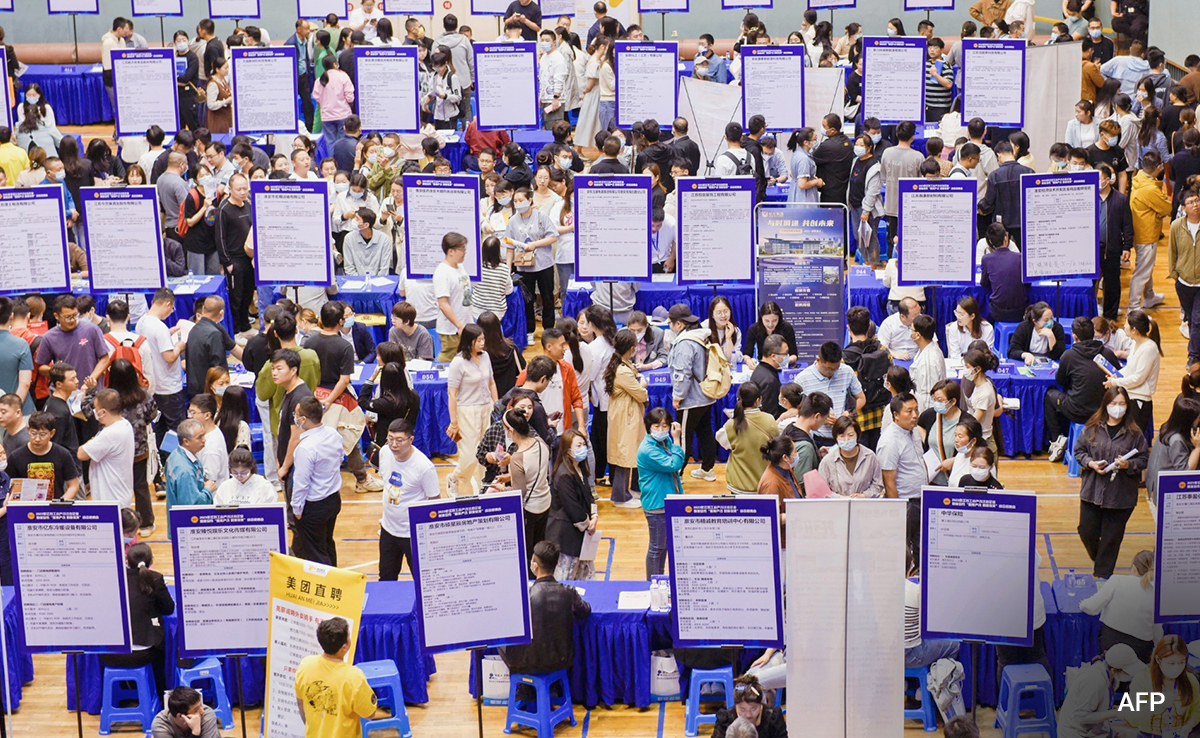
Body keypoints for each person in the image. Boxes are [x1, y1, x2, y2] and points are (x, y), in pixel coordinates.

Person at [1074, 386, 1148, 580]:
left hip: (1120, 495)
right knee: (1086, 531)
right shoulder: (1092, 427)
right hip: (1092, 490)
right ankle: (1101, 562)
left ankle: (1102, 576)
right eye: (1113, 403)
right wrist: (1090, 463)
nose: (1117, 408)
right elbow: (1079, 451)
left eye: (1122, 404)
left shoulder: (1135, 433)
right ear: (1106, 405)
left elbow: (1143, 460)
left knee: (1111, 539)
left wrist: (1127, 464)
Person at [501, 540, 591, 688]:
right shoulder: (569, 592)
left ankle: (524, 691)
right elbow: (585, 611)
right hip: (561, 659)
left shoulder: (524, 595)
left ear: (534, 566)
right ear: (556, 565)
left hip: (525, 662)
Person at [1046, 316, 1124, 461]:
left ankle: (1057, 439)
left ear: (1074, 336)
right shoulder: (1107, 354)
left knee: (1050, 395)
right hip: (1104, 410)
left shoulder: (1068, 356)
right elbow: (1118, 376)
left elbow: (1060, 381)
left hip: (1078, 411)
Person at [101, 543, 174, 693]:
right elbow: (168, 608)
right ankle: (159, 694)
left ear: (126, 561)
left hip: (109, 654)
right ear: (151, 561)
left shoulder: (113, 578)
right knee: (160, 647)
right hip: (142, 654)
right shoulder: (156, 579)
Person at [374, 419, 439, 580]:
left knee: (422, 580)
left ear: (411, 440)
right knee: (386, 577)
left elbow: (435, 501)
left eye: (399, 440)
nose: (393, 445)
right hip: (388, 529)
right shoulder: (384, 452)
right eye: (390, 439)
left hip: (413, 534)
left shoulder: (424, 467)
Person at [295, 617, 378, 737]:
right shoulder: (354, 677)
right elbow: (370, 713)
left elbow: (300, 702)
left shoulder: (305, 665)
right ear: (344, 647)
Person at [291, 396, 344, 566]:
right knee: (327, 544)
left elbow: (301, 482)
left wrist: (297, 508)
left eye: (297, 415)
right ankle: (335, 581)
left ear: (304, 420)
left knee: (316, 552)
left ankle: (327, 585)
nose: (295, 417)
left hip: (314, 506)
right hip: (333, 499)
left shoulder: (306, 448)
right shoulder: (333, 434)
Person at [668, 304, 718, 481]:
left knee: (682, 436)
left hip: (690, 399)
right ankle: (707, 470)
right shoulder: (703, 336)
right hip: (707, 396)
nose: (669, 326)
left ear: (680, 324)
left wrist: (678, 396)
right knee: (705, 433)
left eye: (670, 323)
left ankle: (677, 473)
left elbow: (683, 373)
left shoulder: (685, 343)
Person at [1079, 549, 1159, 661]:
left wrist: (1082, 603)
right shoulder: (1158, 594)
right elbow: (1157, 631)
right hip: (1141, 647)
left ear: (1134, 568)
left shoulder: (1117, 580)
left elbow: (1090, 608)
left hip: (1111, 642)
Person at [447, 324, 498, 495]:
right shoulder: (458, 363)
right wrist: (454, 422)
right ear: (469, 342)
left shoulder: (486, 357)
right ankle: (454, 478)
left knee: (487, 451)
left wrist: (496, 405)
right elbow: (452, 394)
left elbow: (491, 382)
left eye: (483, 339)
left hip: (487, 409)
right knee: (470, 454)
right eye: (479, 340)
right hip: (467, 411)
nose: (483, 343)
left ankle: (485, 484)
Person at [1055, 644, 1144, 738]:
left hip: (1095, 729)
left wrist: (1117, 709)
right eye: (1128, 672)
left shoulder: (1109, 675)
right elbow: (1081, 717)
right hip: (1077, 734)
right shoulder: (1096, 681)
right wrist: (1115, 713)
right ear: (1114, 670)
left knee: (1136, 735)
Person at [546, 430, 598, 580]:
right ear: (567, 449)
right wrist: (588, 524)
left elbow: (589, 495)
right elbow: (572, 507)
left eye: (584, 444)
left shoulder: (581, 468)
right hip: (566, 535)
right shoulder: (563, 475)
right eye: (578, 445)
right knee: (567, 579)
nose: (583, 448)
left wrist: (595, 515)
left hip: (581, 532)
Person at [637, 408, 683, 578]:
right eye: (657, 426)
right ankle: (653, 583)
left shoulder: (664, 443)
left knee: (664, 546)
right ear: (649, 427)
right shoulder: (648, 449)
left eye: (665, 426)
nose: (662, 430)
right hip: (657, 504)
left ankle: (660, 581)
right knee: (657, 547)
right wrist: (677, 439)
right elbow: (674, 464)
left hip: (669, 500)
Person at [877, 393, 925, 557]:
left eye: (916, 410)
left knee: (921, 545)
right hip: (907, 503)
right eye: (909, 411)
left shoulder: (913, 430)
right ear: (896, 415)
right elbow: (889, 482)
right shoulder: (890, 441)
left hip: (921, 498)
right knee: (904, 548)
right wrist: (897, 512)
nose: (915, 415)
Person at [603, 329, 648, 506]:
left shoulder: (623, 364)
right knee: (624, 455)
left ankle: (635, 488)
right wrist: (643, 384)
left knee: (634, 452)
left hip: (628, 414)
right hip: (625, 417)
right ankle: (620, 496)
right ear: (630, 349)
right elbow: (641, 394)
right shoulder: (622, 370)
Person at [1124, 635, 1200, 737]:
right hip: (1148, 735)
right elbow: (1133, 719)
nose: (1177, 668)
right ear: (1158, 660)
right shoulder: (1142, 679)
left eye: (1181, 662)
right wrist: (1153, 705)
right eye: (1171, 663)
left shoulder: (1190, 680)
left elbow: (1196, 710)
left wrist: (1189, 725)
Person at [797, 342, 866, 446]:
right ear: (818, 360)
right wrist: (821, 418)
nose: (832, 372)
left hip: (843, 436)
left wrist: (848, 414)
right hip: (818, 438)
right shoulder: (802, 379)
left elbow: (861, 398)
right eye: (828, 368)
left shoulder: (847, 371)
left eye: (836, 368)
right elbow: (797, 411)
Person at [1105, 309, 1162, 436]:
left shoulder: (1149, 349)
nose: (1124, 326)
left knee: (1132, 438)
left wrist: (1115, 382)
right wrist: (1116, 374)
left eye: (1126, 324)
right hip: (1130, 395)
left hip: (1139, 400)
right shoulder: (1136, 343)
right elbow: (1130, 367)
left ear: (1134, 330)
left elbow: (1138, 378)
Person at [717, 383, 780, 495]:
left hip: (739, 484)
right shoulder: (769, 420)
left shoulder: (732, 424)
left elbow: (721, 439)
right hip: (765, 483)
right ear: (758, 400)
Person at [78, 388, 134, 509]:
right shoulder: (125, 424)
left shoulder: (110, 434)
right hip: (119, 494)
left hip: (110, 499)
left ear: (103, 412)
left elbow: (81, 454)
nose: (94, 412)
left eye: (96, 409)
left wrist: (90, 441)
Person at [1128, 150, 1171, 310]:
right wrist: (1159, 210)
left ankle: (1150, 296)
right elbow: (1167, 207)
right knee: (1142, 272)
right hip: (1147, 234)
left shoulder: (1139, 178)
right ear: (1159, 167)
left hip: (1141, 231)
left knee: (1146, 267)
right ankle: (1133, 307)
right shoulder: (1150, 189)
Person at [7, 411, 79, 501]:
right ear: (28, 429)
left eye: (42, 434)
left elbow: (73, 485)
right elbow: (9, 487)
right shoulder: (15, 457)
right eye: (33, 433)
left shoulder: (63, 454)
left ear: (52, 433)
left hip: (54, 508)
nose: (37, 439)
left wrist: (60, 503)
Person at [1146, 396, 1200, 510]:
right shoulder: (1177, 439)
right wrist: (1198, 448)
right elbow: (1185, 470)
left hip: (1157, 483)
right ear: (1188, 420)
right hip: (1168, 490)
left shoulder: (1167, 427)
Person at [880, 122, 925, 251]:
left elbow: (883, 177)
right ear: (912, 136)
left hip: (891, 204)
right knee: (910, 241)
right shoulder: (918, 157)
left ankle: (890, 266)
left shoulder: (887, 153)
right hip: (911, 206)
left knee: (891, 239)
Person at [979, 140, 1033, 247]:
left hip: (1002, 224)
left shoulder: (995, 175)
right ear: (1013, 152)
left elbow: (989, 202)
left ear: (998, 156)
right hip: (1023, 222)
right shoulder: (1029, 172)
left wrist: (980, 206)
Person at [819, 416, 884, 497]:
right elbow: (822, 490)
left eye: (850, 435)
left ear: (857, 435)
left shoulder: (870, 457)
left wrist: (864, 495)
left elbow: (878, 484)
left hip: (864, 506)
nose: (846, 439)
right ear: (836, 437)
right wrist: (840, 498)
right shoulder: (827, 461)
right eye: (842, 436)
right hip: (837, 507)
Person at [433, 233, 473, 362]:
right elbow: (443, 304)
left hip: (465, 324)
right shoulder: (442, 272)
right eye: (462, 249)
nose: (465, 253)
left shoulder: (460, 267)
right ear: (451, 251)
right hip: (452, 330)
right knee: (449, 360)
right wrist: (459, 325)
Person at [1170, 189, 1200, 361]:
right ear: (1183, 207)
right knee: (1191, 319)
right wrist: (1175, 274)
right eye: (1190, 202)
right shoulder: (1176, 226)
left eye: (1197, 200)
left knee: (1197, 320)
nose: (1195, 205)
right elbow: (1172, 252)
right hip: (1184, 283)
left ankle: (1193, 357)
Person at [165, 419, 214, 525]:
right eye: (199, 437)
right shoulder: (185, 471)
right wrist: (208, 490)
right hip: (187, 527)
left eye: (204, 435)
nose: (204, 440)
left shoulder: (175, 454)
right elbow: (192, 506)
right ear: (186, 441)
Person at [710, 675, 786, 738]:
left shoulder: (773, 718)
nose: (748, 714)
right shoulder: (725, 720)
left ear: (761, 704)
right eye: (742, 709)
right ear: (736, 705)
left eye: (753, 709)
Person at [151, 686, 223, 738]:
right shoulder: (160, 726)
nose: (202, 711)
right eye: (196, 709)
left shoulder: (207, 714)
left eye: (201, 705)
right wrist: (195, 732)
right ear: (181, 716)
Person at [750, 336, 787, 418]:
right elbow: (770, 414)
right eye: (785, 354)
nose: (787, 357)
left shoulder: (760, 369)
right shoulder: (769, 381)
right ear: (773, 356)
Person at [785, 127, 821, 204]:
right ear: (806, 142)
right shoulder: (804, 159)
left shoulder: (797, 154)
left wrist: (810, 176)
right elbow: (802, 184)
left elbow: (793, 173)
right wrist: (816, 182)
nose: (816, 141)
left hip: (795, 192)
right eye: (814, 139)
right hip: (804, 197)